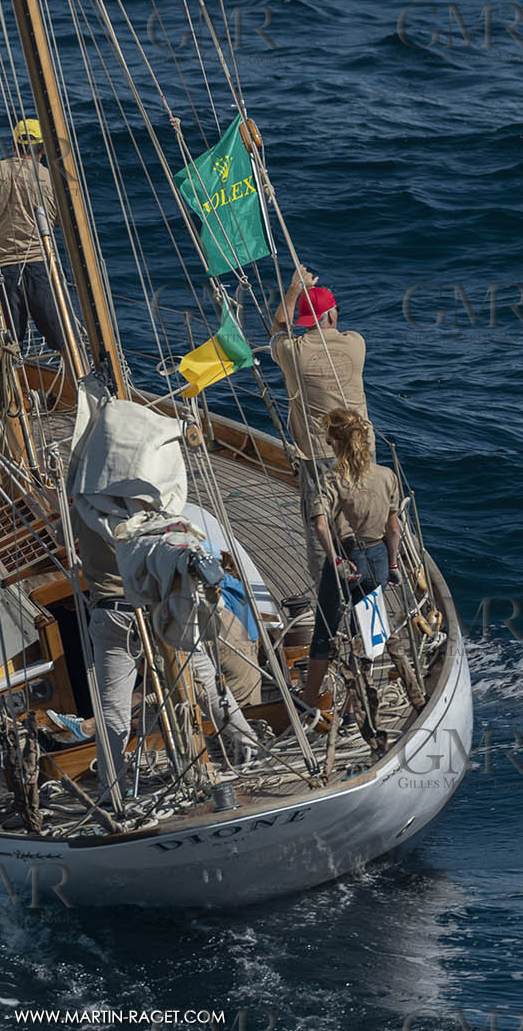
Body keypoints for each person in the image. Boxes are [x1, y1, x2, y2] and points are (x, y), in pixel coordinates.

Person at [49, 518, 258, 806]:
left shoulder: (85, 507)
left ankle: (112, 791)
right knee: (206, 681)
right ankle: (250, 748)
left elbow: (61, 536)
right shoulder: (145, 506)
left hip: (113, 612)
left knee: (113, 708)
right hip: (161, 607)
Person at [303, 409, 425, 729]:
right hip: (379, 558)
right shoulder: (386, 476)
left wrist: (337, 562)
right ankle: (353, 709)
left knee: (325, 632)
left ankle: (308, 703)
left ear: (336, 443)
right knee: (366, 636)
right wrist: (393, 564)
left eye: (330, 441)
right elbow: (394, 529)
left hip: (347, 560)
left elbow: (320, 525)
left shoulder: (332, 479)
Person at [270, 266, 372, 578]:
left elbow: (279, 325)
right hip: (362, 447)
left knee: (320, 522)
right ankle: (370, 572)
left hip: (319, 454)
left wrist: (294, 289)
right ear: (331, 315)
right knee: (362, 515)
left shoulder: (294, 352)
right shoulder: (356, 343)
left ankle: (327, 583)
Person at [0, 119, 66, 353]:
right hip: (41, 267)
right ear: (42, 149)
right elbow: (58, 222)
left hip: (2, 268)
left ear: (13, 144)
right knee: (66, 343)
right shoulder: (50, 178)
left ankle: (10, 375)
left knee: (8, 348)